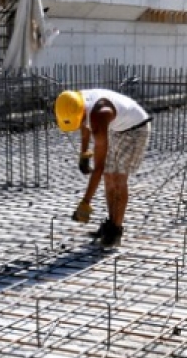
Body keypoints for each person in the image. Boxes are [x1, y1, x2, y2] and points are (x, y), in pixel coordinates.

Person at [54, 89, 152, 248]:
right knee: (109, 177)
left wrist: (85, 202)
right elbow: (84, 125)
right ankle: (111, 222)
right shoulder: (75, 102)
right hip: (117, 128)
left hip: (136, 128)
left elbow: (98, 168)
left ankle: (116, 229)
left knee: (118, 179)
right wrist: (84, 153)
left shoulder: (99, 115)